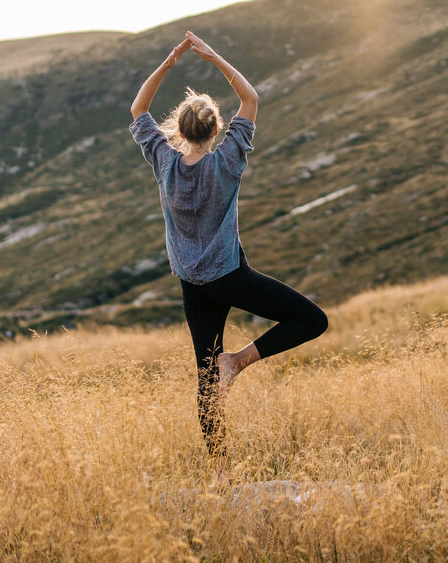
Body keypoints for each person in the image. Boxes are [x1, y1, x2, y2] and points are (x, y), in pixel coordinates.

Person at [129, 30, 329, 456]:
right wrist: (213, 56)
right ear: (218, 128)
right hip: (230, 276)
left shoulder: (163, 161)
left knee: (205, 379)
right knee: (312, 321)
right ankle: (238, 361)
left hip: (192, 285)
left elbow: (139, 108)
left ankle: (219, 470)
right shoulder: (228, 160)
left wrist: (170, 62)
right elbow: (251, 98)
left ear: (179, 131)